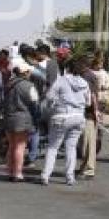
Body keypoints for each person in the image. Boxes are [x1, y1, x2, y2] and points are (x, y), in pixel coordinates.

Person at [40, 57, 91, 186]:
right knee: (71, 147)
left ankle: (45, 175)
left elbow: (49, 96)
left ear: (67, 68)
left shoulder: (61, 80)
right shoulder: (84, 83)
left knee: (53, 147)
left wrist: (56, 103)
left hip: (62, 116)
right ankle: (69, 177)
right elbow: (88, 102)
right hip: (78, 117)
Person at [2, 58, 39, 182]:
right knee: (20, 146)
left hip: (8, 117)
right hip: (23, 119)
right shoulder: (29, 86)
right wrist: (36, 118)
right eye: (29, 72)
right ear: (25, 73)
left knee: (11, 146)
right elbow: (35, 104)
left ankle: (10, 171)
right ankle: (18, 173)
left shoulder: (8, 84)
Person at [77, 55, 101, 180]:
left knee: (88, 142)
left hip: (88, 114)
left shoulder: (86, 77)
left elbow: (93, 96)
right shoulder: (87, 75)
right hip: (87, 113)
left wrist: (96, 111)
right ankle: (85, 166)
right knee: (85, 142)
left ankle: (89, 169)